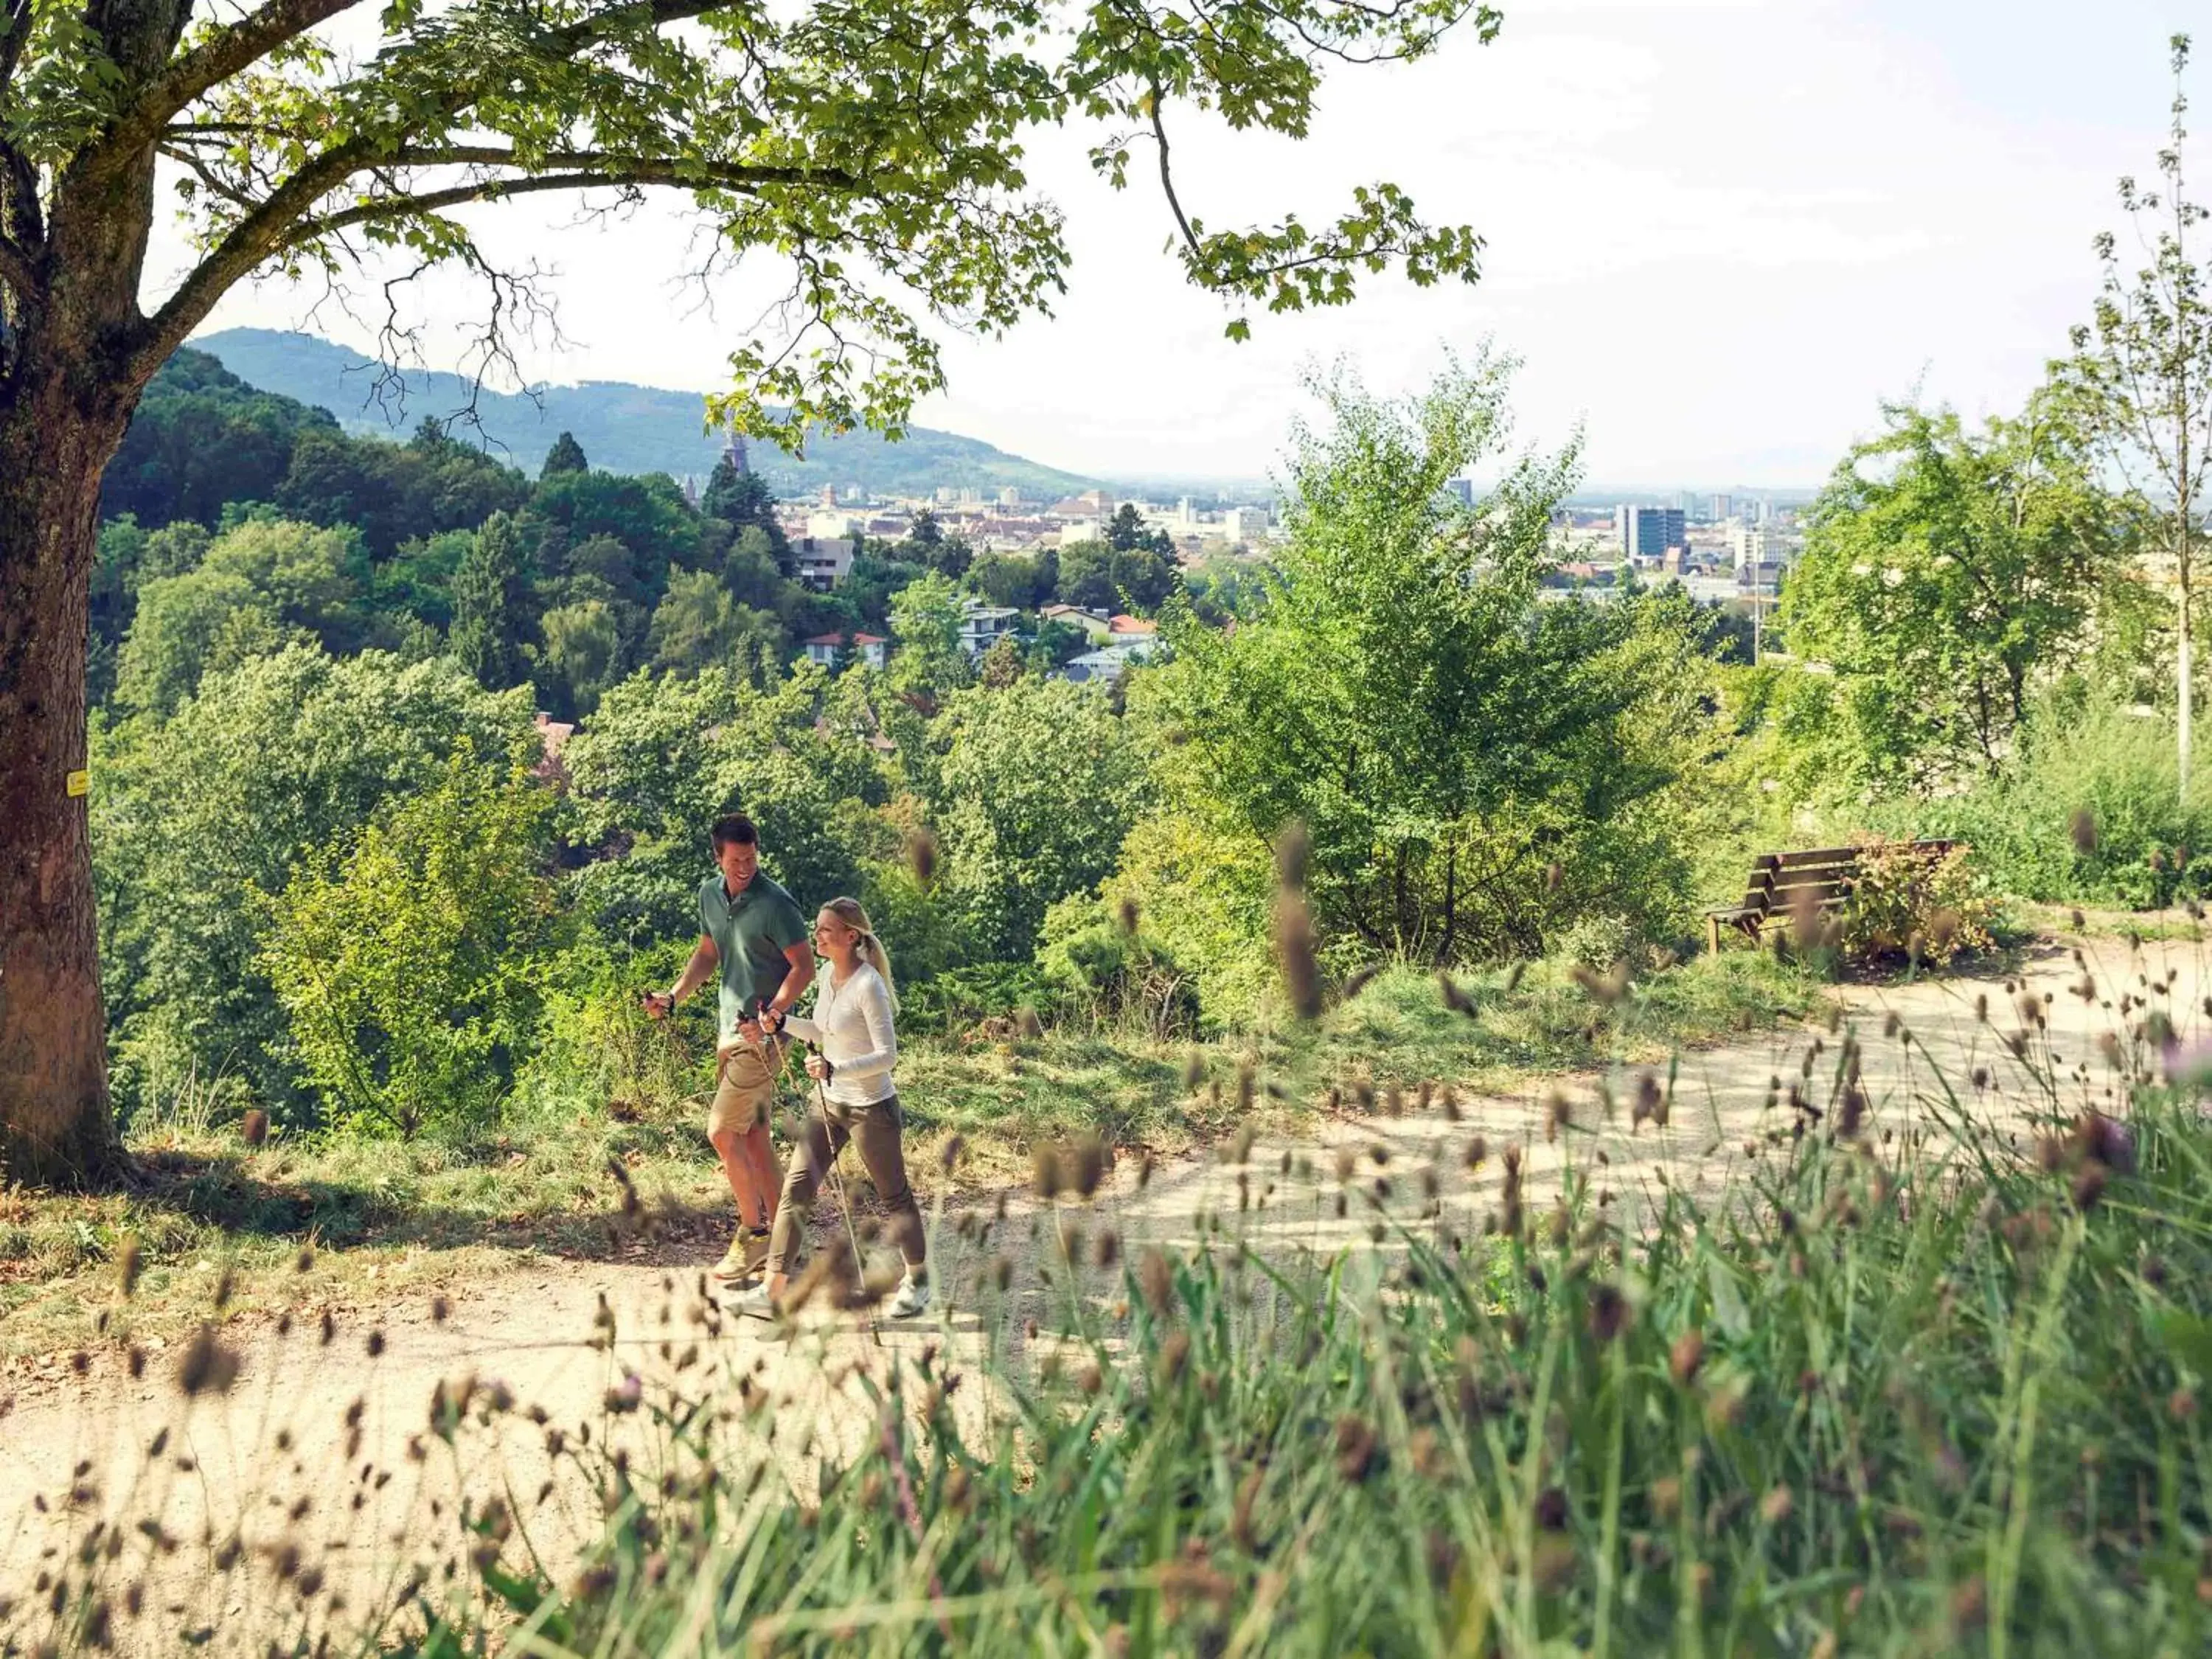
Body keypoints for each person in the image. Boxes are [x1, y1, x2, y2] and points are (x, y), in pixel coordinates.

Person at [733, 897, 929, 1321]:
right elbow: (822, 1030)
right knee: (796, 1189)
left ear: (850, 936)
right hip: (828, 1103)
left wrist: (835, 1066)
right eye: (817, 927)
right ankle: (772, 1291)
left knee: (894, 1196)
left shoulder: (868, 985)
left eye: (825, 929)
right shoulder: (827, 975)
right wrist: (782, 1022)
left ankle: (919, 1281)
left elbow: (888, 1055)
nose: (817, 935)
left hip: (870, 1108)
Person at [642, 813, 813, 1281]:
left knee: (720, 1131)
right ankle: (788, 1241)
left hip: (763, 1037)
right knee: (751, 1136)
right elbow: (707, 954)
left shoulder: (777, 904)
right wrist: (673, 997)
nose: (745, 867)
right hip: (727, 1031)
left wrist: (776, 1012)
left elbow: (804, 967)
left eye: (752, 858)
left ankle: (755, 1234)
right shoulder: (709, 895)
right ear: (718, 857)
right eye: (736, 860)